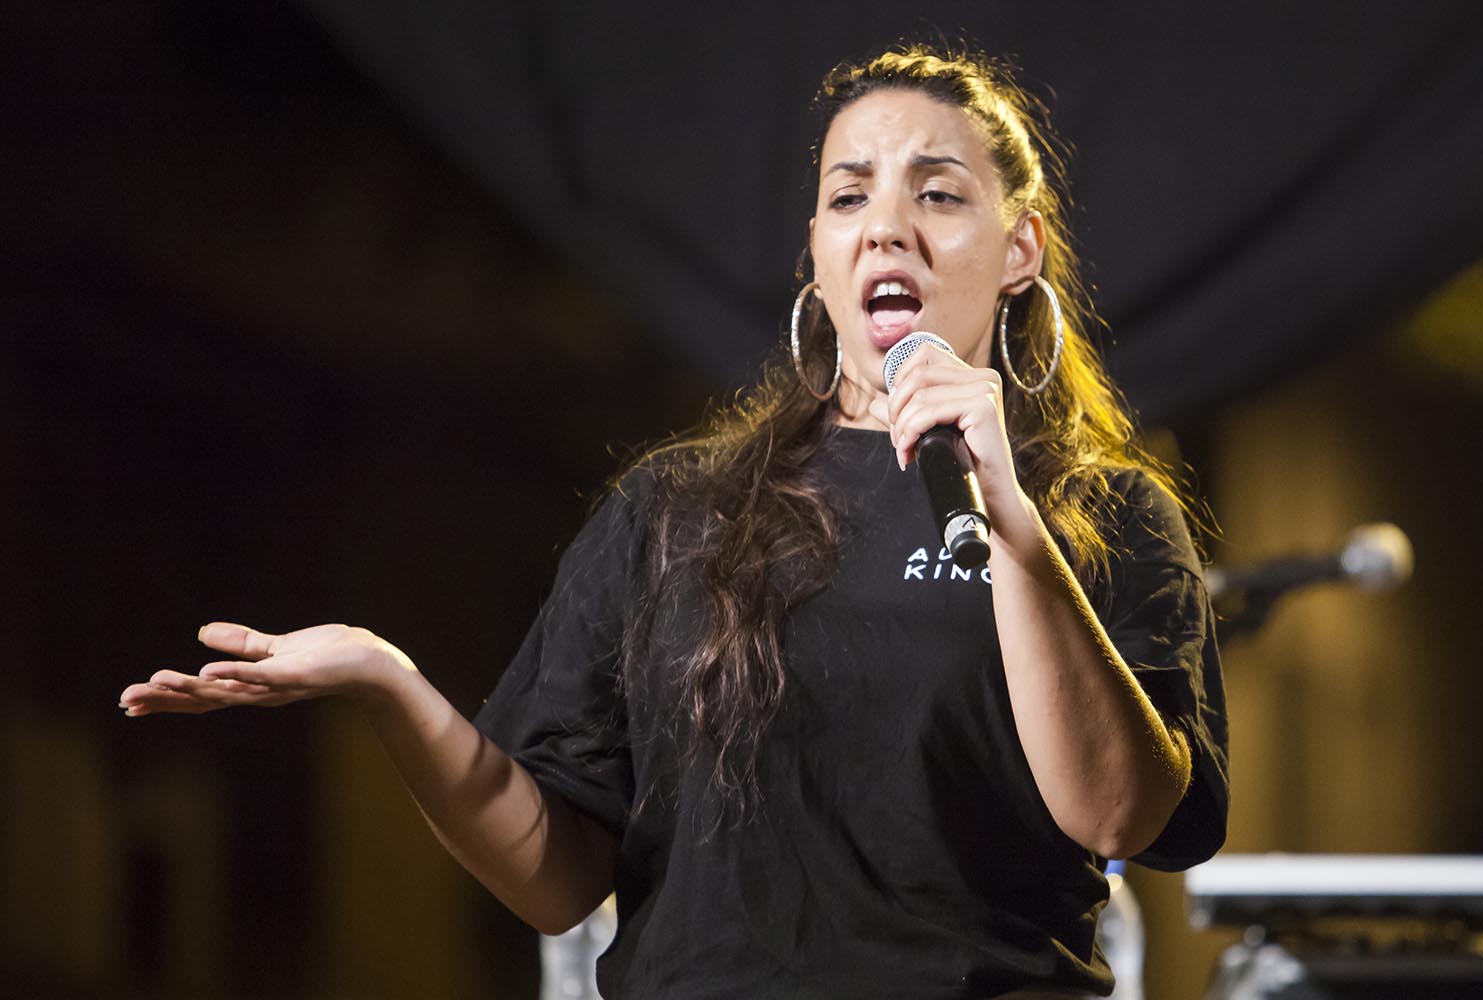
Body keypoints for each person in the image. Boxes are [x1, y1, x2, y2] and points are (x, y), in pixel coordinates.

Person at [120, 45, 1228, 999]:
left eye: (938, 195)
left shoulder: (1107, 516)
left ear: (1020, 250)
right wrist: (387, 682)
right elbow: (556, 880)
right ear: (818, 251)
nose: (887, 225)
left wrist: (1014, 522)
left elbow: (1119, 817)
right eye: (849, 197)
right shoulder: (674, 513)